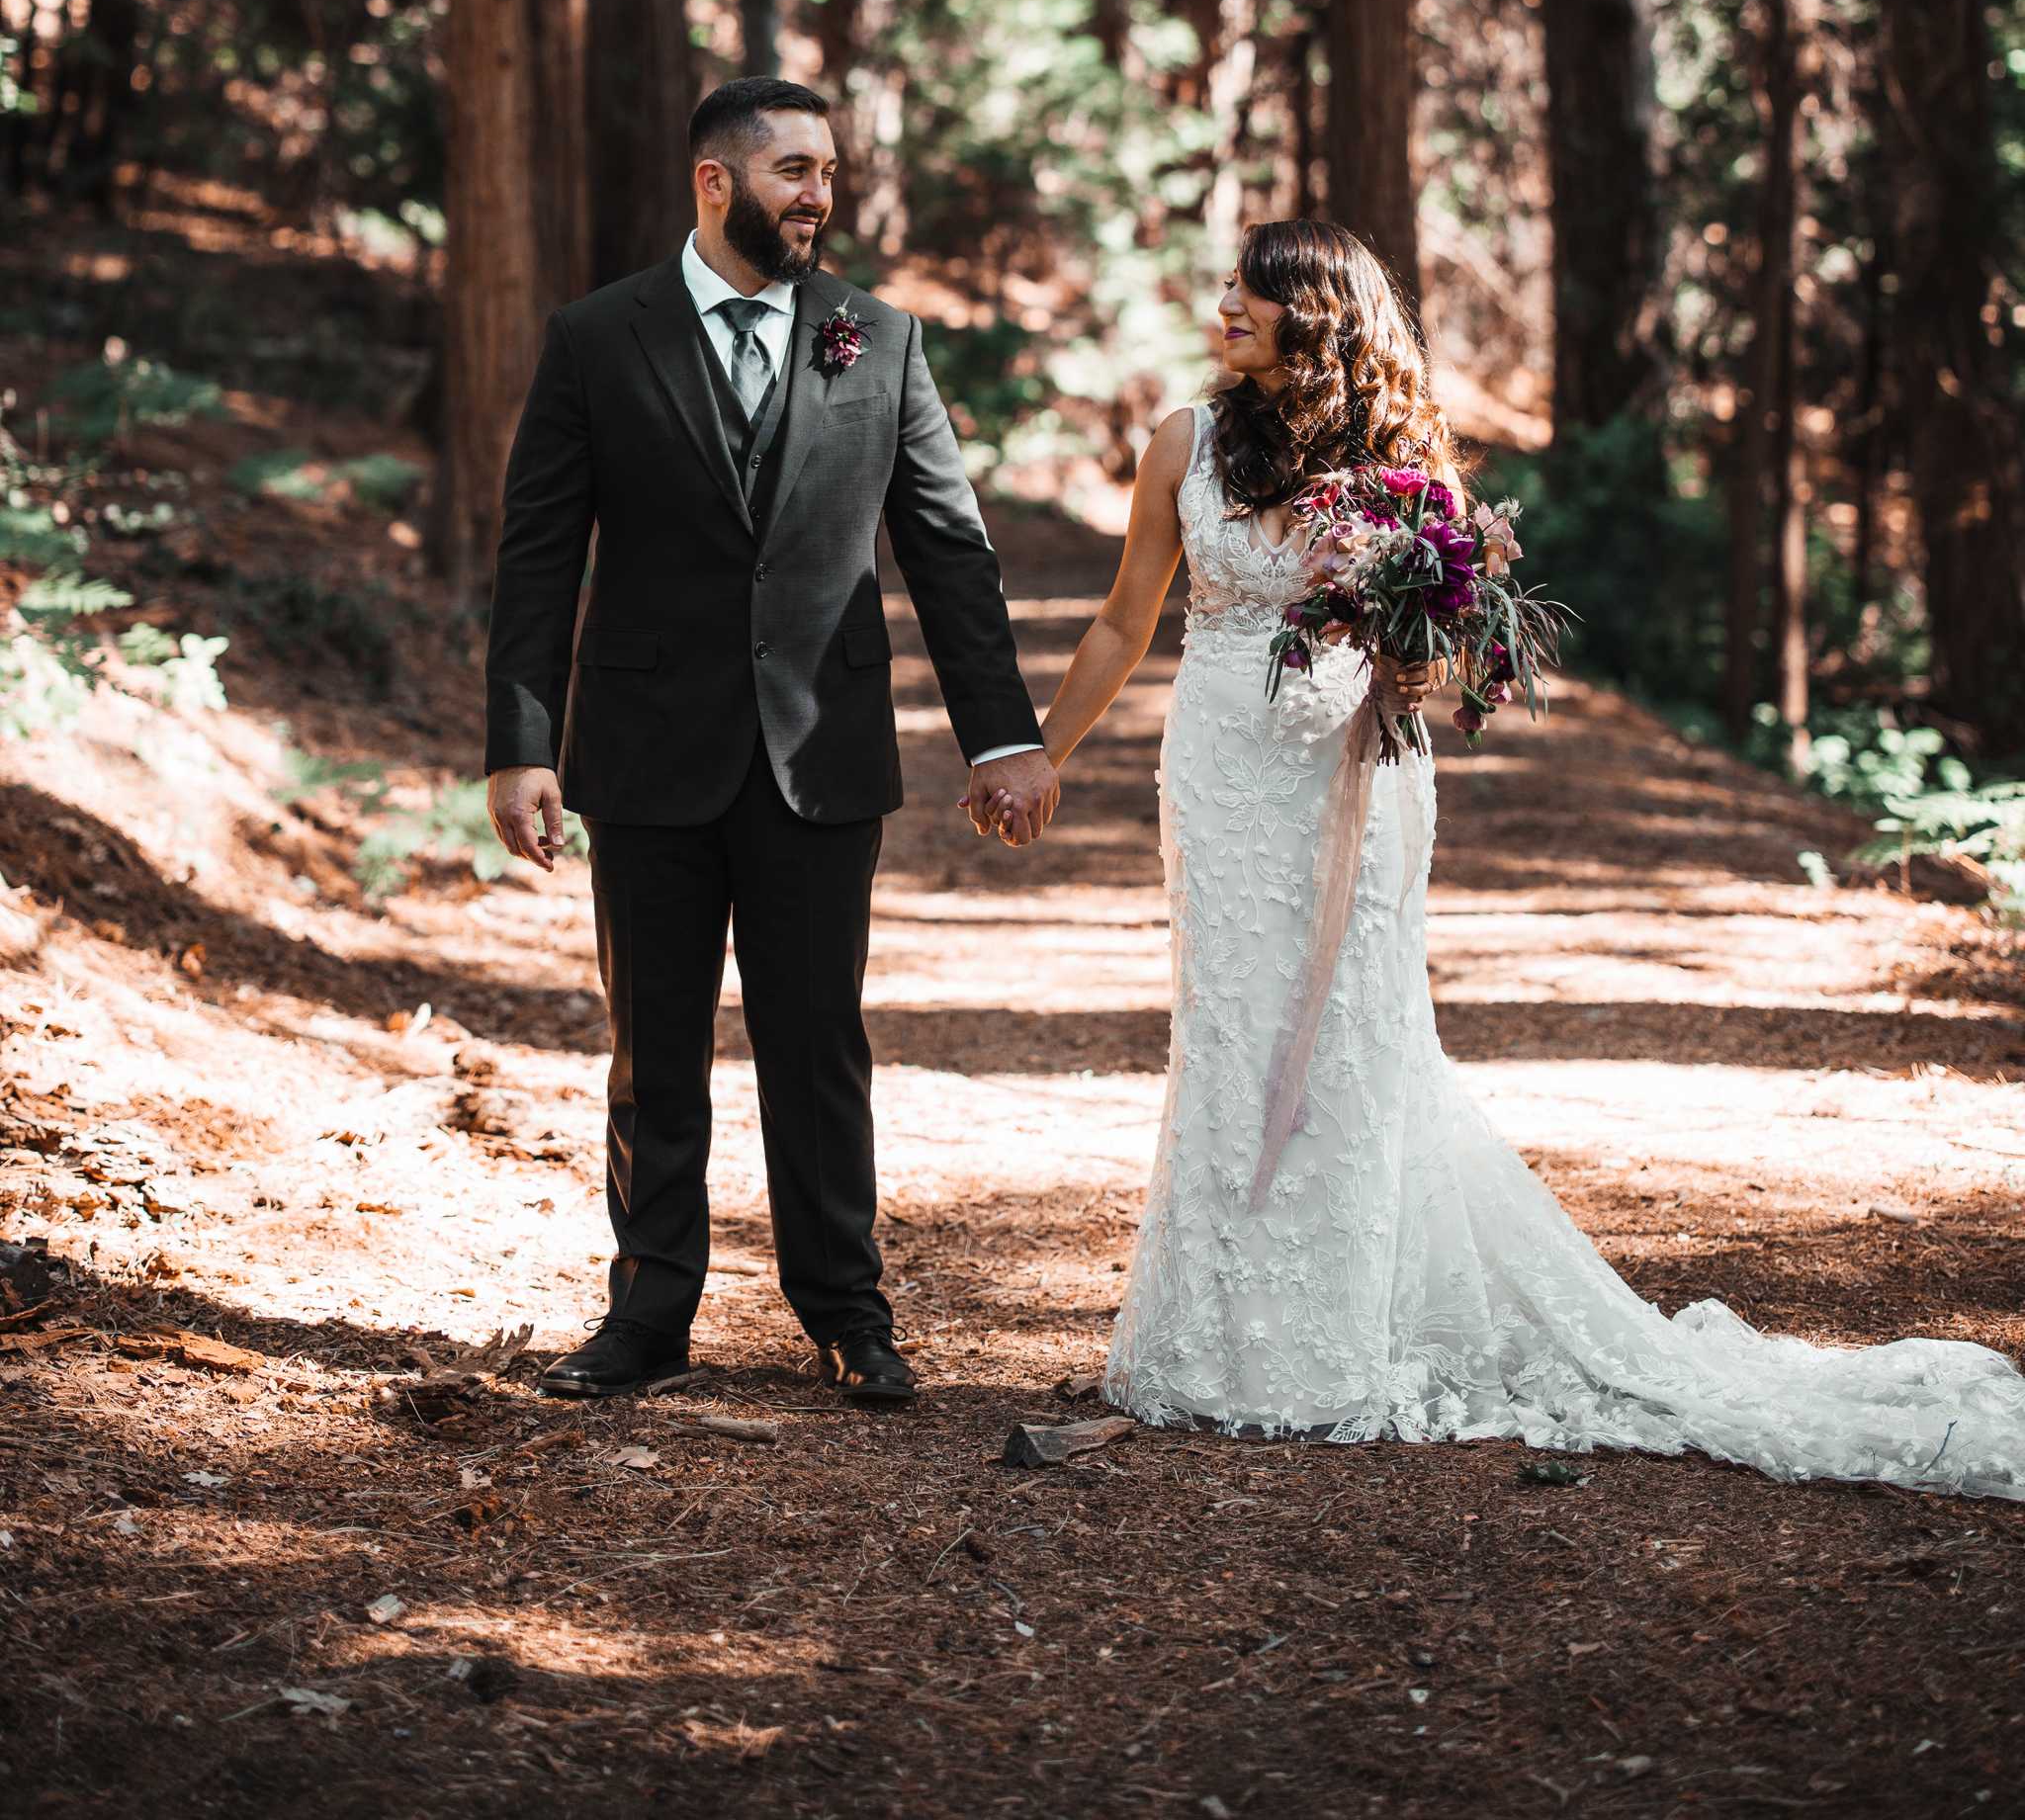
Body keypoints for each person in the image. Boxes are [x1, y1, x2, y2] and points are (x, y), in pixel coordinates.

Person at [1035, 217, 2025, 1497]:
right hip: (1219, 774)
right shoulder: (1184, 441)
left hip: (1351, 773)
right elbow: (1127, 619)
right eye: (1226, 285)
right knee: (1228, 1024)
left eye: (1253, 290)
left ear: (1319, 316)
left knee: (1349, 1030)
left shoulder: (1402, 467)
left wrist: (1402, 643)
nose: (1224, 304)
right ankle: (1213, 1332)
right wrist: (1039, 752)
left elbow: (1442, 659)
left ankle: (1329, 1337)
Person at [482, 77, 1059, 1407]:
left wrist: (1001, 738)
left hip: (821, 754)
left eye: (826, 173)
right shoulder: (597, 339)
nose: (818, 195)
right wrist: (522, 742)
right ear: (713, 181)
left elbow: (949, 556)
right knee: (655, 1048)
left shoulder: (880, 339)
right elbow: (537, 552)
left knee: (817, 1043)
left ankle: (847, 1314)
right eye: (794, 169)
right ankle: (647, 1317)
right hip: (645, 747)